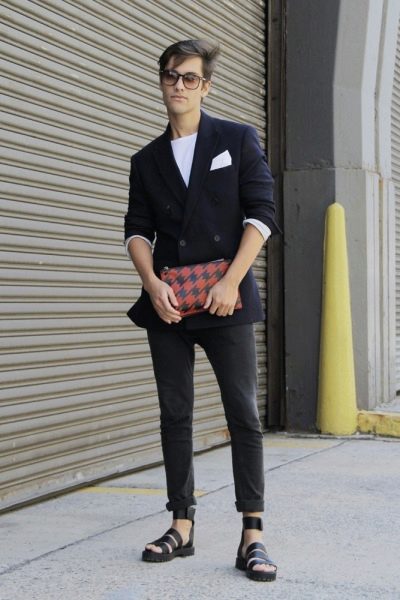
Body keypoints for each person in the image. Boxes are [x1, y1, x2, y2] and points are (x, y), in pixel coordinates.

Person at [124, 39, 280, 582]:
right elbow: (136, 230)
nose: (179, 85)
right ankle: (181, 524)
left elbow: (262, 214)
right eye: (171, 75)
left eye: (190, 77)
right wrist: (151, 285)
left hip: (225, 298)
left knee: (243, 414)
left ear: (206, 86)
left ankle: (252, 534)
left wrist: (231, 281)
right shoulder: (145, 160)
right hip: (169, 301)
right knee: (175, 414)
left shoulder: (236, 139)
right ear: (161, 82)